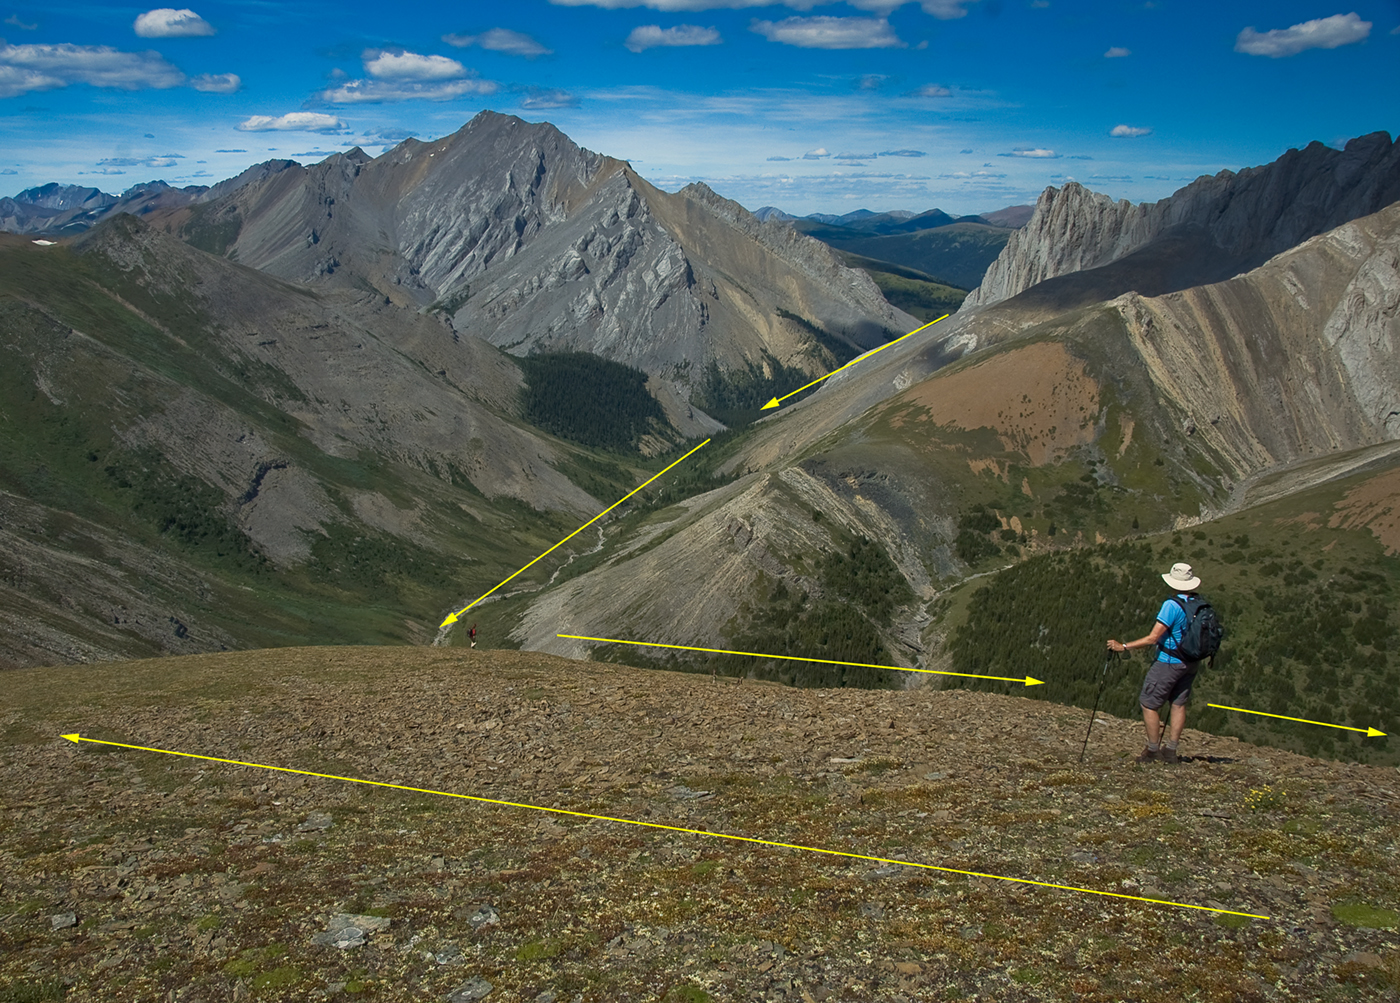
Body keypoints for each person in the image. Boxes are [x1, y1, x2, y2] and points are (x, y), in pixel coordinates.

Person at [1106, 562, 1203, 764]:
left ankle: (1152, 751)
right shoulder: (1197, 604)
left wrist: (1123, 646)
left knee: (1149, 703)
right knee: (1178, 704)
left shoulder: (1172, 605)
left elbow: (1153, 638)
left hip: (1168, 662)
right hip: (1191, 662)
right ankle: (1171, 751)